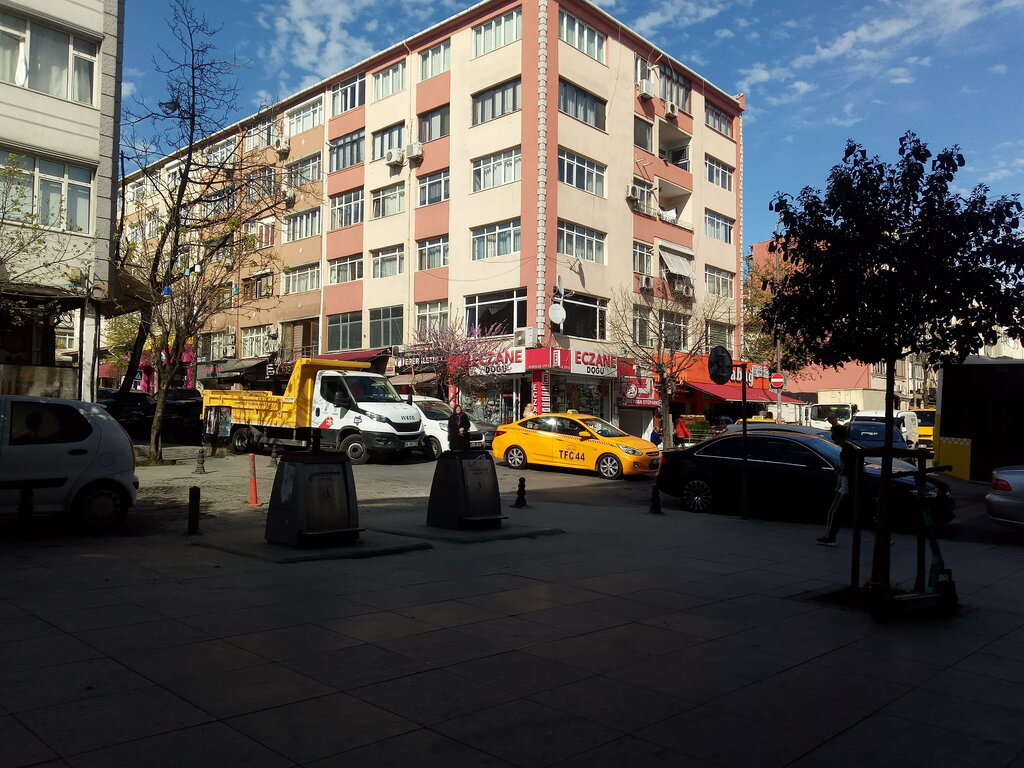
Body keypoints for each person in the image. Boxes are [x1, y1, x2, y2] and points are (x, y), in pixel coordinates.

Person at [817, 423, 850, 546]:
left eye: (833, 435)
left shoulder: (847, 450)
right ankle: (829, 537)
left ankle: (830, 537)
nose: (832, 438)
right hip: (844, 485)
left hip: (846, 486)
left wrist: (842, 475)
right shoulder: (847, 448)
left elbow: (847, 469)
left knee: (833, 512)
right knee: (835, 511)